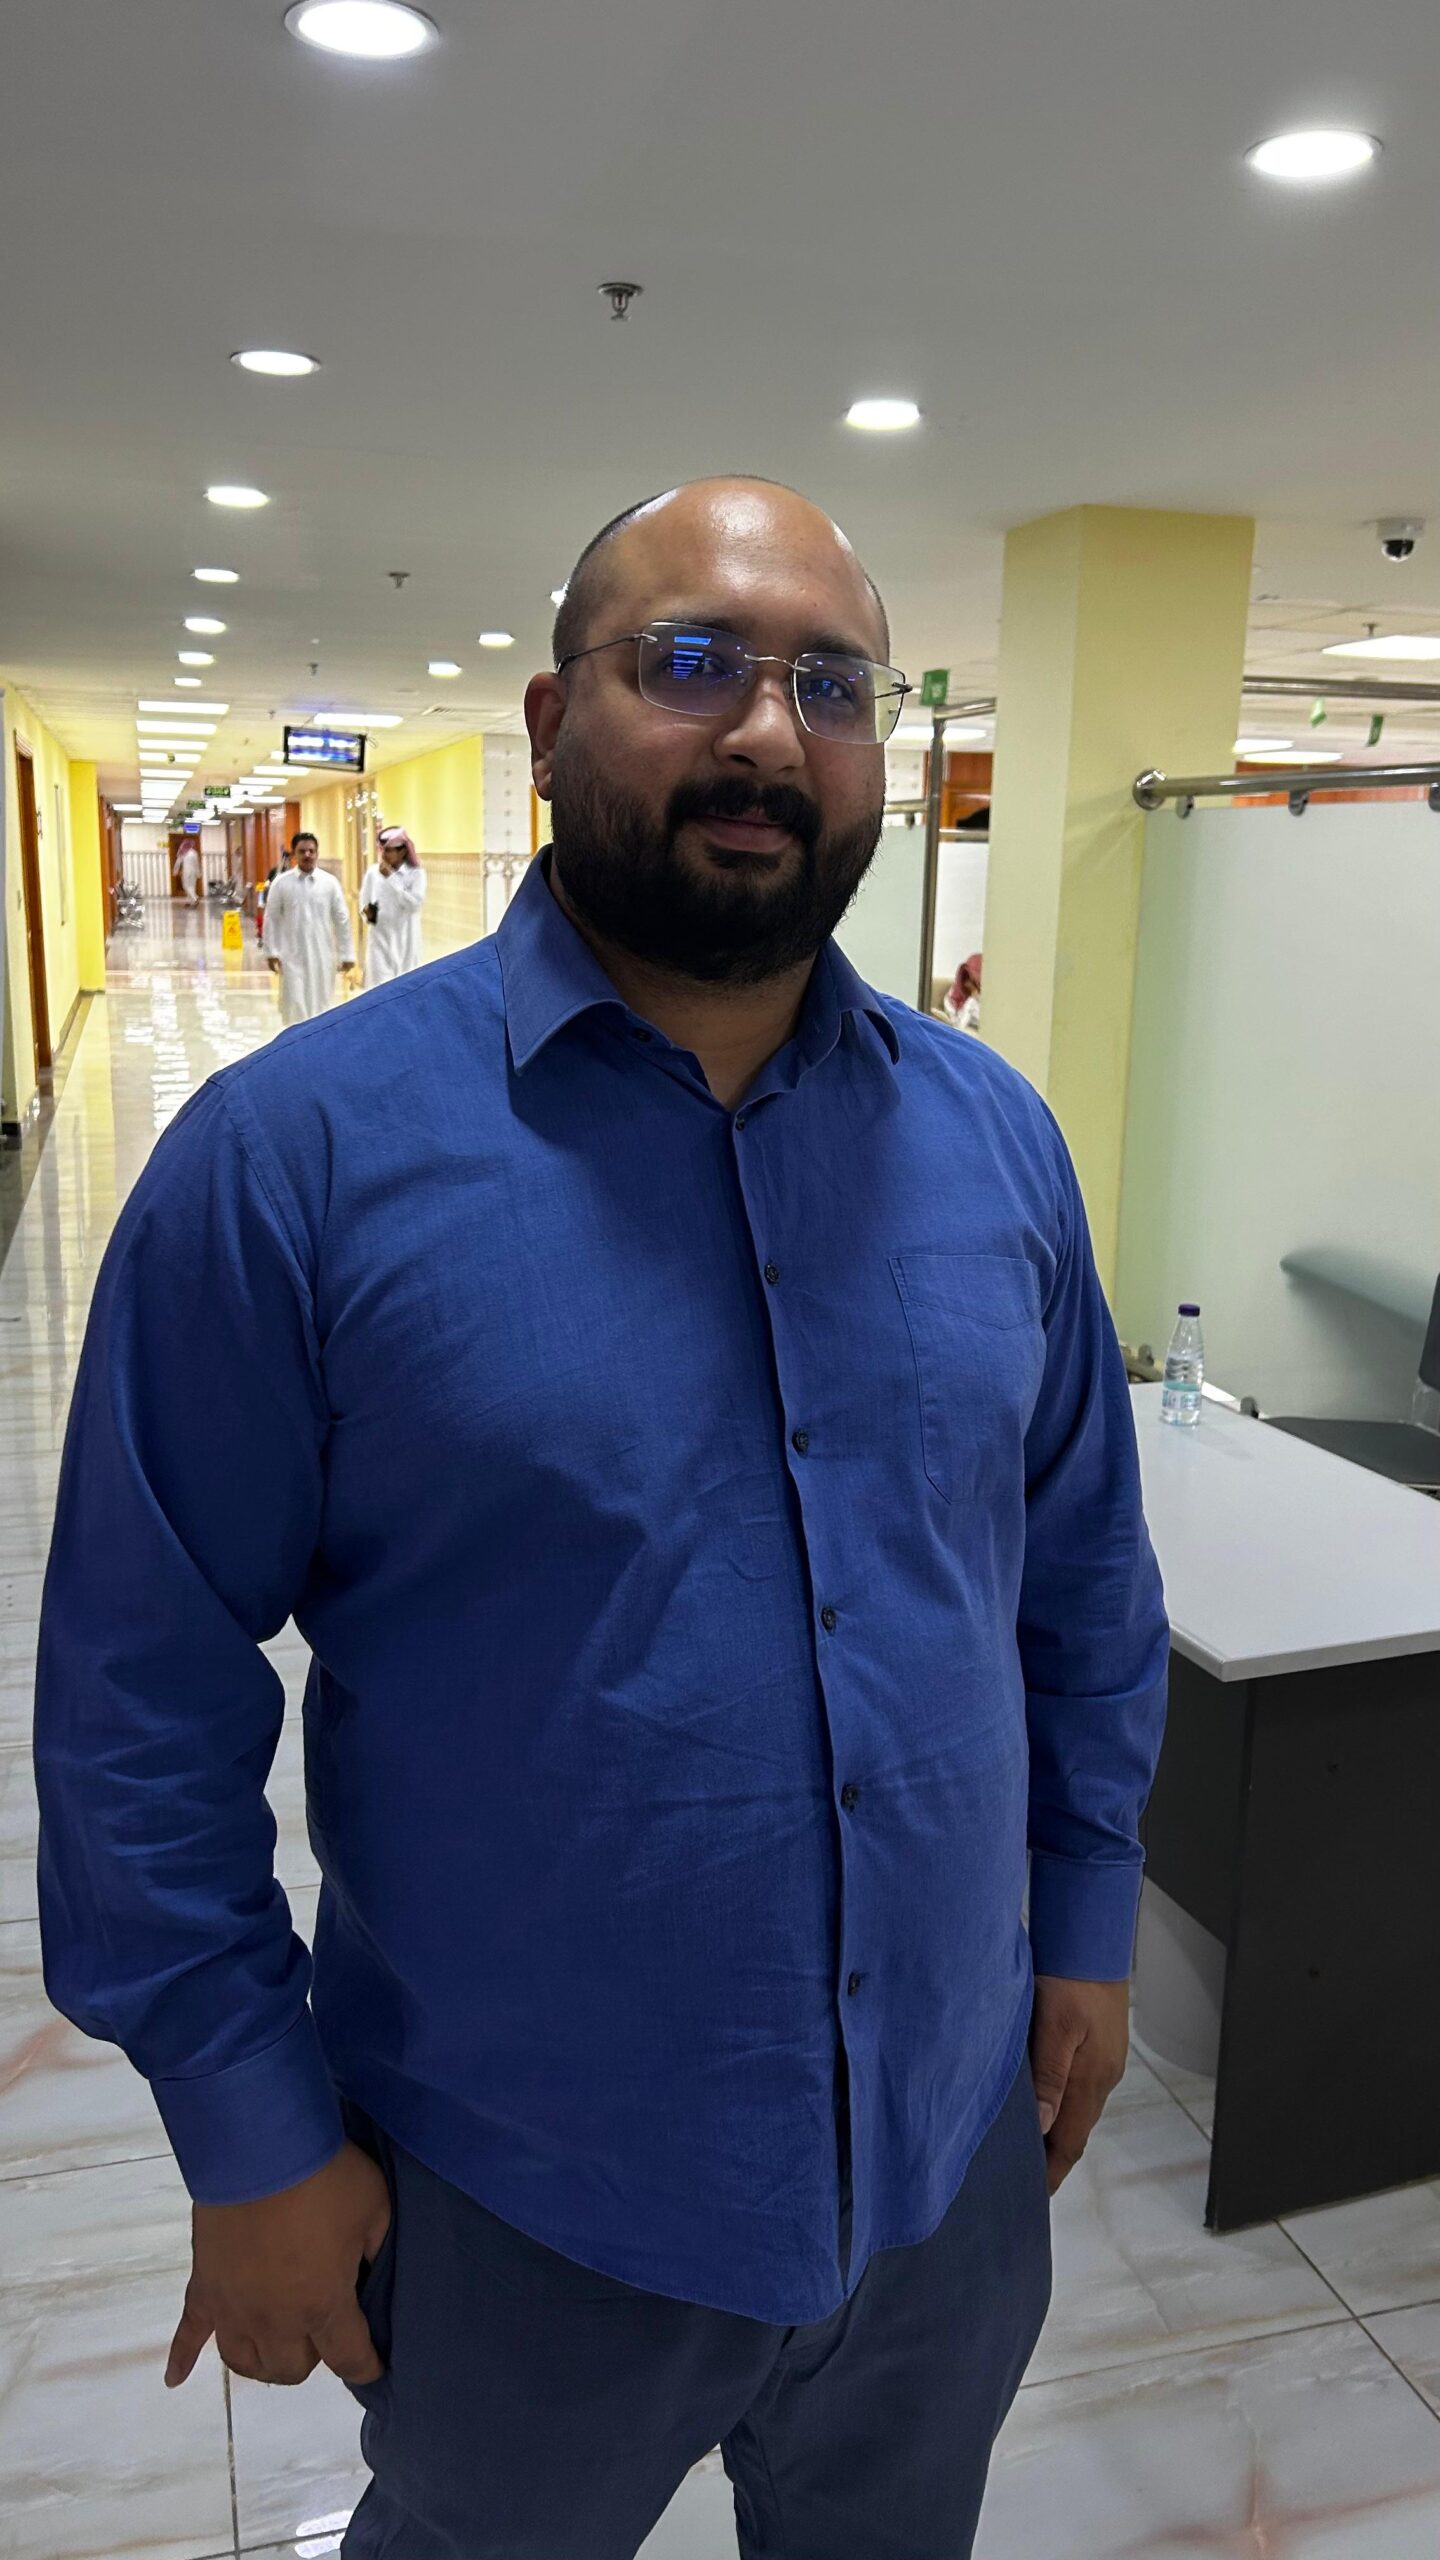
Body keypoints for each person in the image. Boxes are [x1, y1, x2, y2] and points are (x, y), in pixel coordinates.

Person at [35, 478, 1169, 2560]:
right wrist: (248, 2127)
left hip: (942, 2182)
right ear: (555, 720)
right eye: (693, 662)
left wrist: (1083, 1918)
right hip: (521, 2209)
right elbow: (139, 1697)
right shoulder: (292, 1165)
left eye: (835, 685)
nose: (770, 733)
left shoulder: (994, 1143)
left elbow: (1081, 1570)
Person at [262, 831, 357, 1023]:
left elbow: (342, 919)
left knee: (322, 1005)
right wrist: (271, 952)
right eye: (302, 851)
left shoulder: (329, 883)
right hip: (292, 956)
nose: (307, 855)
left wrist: (347, 954)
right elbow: (271, 918)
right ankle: (295, 1040)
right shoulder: (281, 883)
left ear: (317, 853)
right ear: (294, 854)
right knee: (294, 1004)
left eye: (311, 851)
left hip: (323, 956)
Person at [359, 825, 427, 986]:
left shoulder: (416, 874)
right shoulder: (373, 873)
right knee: (379, 988)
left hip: (406, 941)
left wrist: (391, 878)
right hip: (379, 942)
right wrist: (369, 915)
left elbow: (414, 904)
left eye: (389, 850)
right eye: (383, 850)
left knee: (404, 987)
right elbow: (364, 903)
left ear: (402, 852)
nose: (384, 855)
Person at [944, 950, 983, 1033]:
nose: (967, 983)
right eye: (965, 978)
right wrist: (971, 1001)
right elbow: (958, 1026)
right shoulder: (952, 998)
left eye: (973, 981)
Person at [173, 838, 200, 906]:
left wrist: (175, 870)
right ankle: (189, 901)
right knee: (192, 886)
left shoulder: (182, 852)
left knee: (185, 886)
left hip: (186, 871)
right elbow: (197, 864)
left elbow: (178, 862)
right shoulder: (194, 853)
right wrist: (198, 873)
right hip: (194, 871)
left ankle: (195, 898)